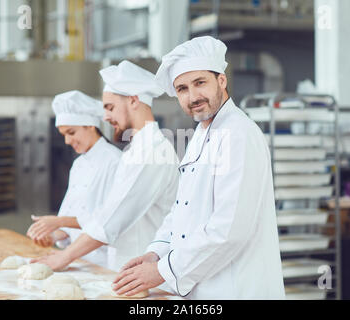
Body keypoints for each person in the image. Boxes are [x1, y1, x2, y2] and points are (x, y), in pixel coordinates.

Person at [112, 36, 285, 299]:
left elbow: (229, 230)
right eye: (182, 88)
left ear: (222, 81)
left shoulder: (238, 133)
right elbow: (183, 209)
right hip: (203, 288)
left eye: (200, 83)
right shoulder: (200, 135)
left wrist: (163, 271)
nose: (192, 96)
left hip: (235, 288)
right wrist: (156, 252)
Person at [31, 61, 180, 272]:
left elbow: (111, 220)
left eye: (110, 108)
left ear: (134, 100)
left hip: (145, 273)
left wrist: (65, 257)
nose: (106, 117)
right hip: (128, 270)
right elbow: (105, 215)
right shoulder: (137, 150)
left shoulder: (153, 151)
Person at [26, 90, 121, 267]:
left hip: (106, 263)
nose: (67, 141)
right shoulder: (78, 165)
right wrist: (53, 236)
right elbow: (73, 217)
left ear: (90, 125)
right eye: (64, 135)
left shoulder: (114, 162)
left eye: (71, 132)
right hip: (77, 259)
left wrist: (57, 221)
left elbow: (108, 221)